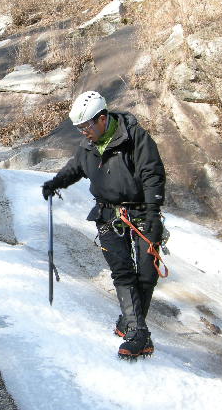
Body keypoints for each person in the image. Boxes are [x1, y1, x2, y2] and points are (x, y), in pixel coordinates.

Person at [41, 91, 166, 359]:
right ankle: (138, 333)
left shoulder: (135, 137)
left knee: (147, 274)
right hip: (107, 214)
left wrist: (153, 214)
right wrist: (54, 183)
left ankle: (129, 322)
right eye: (79, 128)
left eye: (86, 126)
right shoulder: (88, 145)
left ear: (102, 118)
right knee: (122, 271)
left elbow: (152, 174)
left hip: (141, 212)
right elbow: (75, 168)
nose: (83, 132)